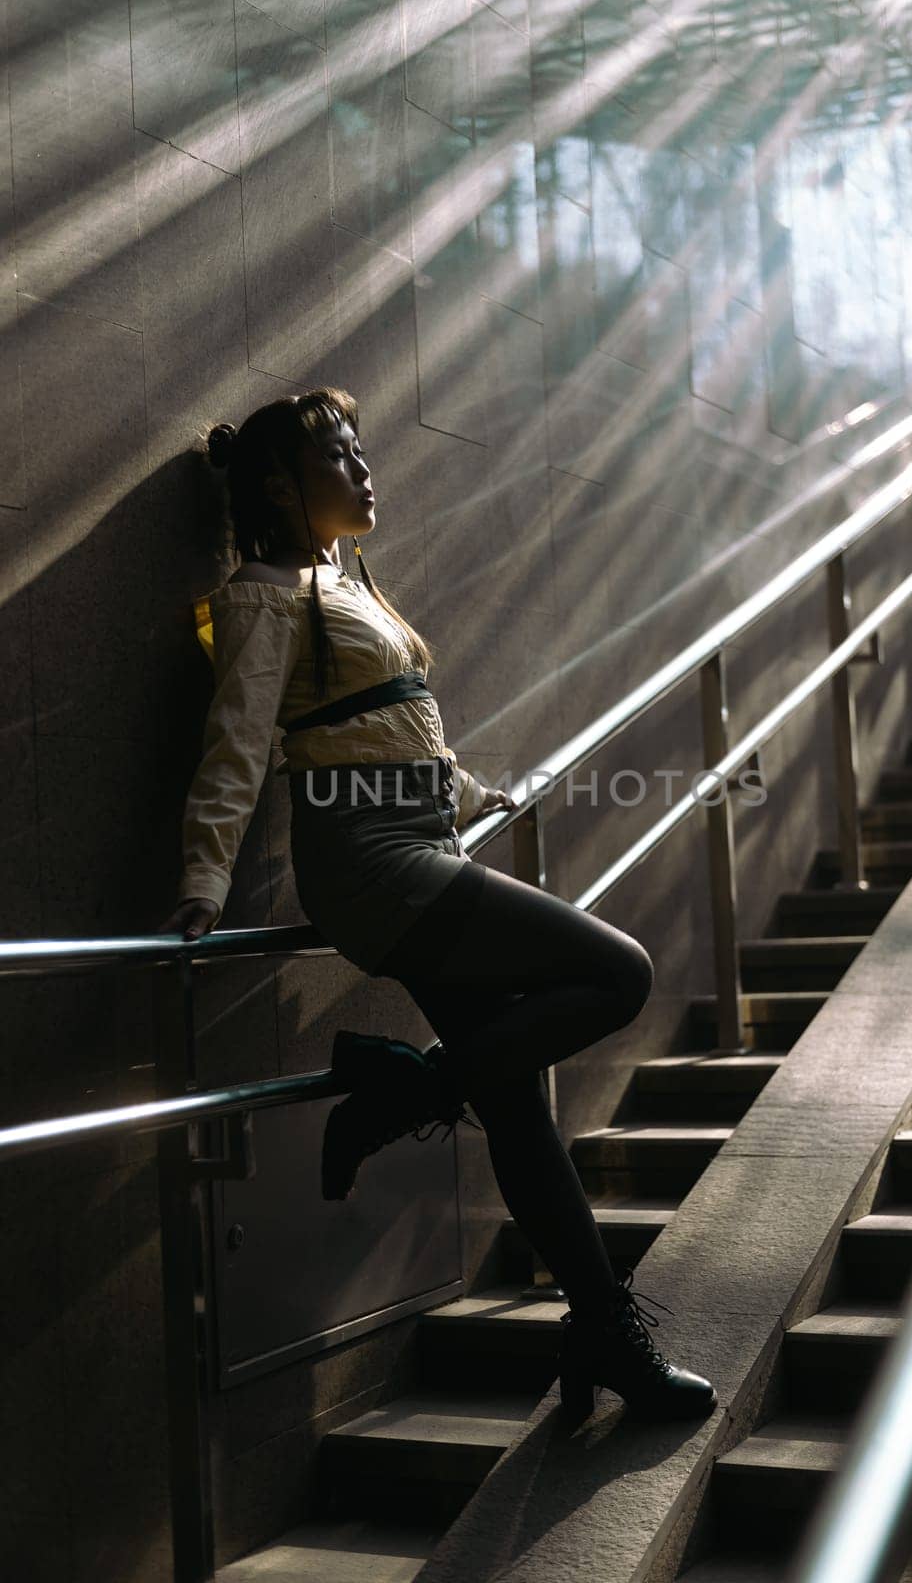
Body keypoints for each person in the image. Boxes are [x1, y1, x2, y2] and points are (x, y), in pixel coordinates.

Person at [156, 386, 717, 1422]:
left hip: (417, 844)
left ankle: (605, 1332)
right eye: (338, 455)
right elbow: (236, 748)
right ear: (280, 485)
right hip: (373, 866)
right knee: (618, 972)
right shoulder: (263, 596)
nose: (365, 469)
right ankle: (399, 1092)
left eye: (363, 450)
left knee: (515, 1104)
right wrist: (202, 884)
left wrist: (471, 795)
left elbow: (385, 725)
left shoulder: (344, 586)